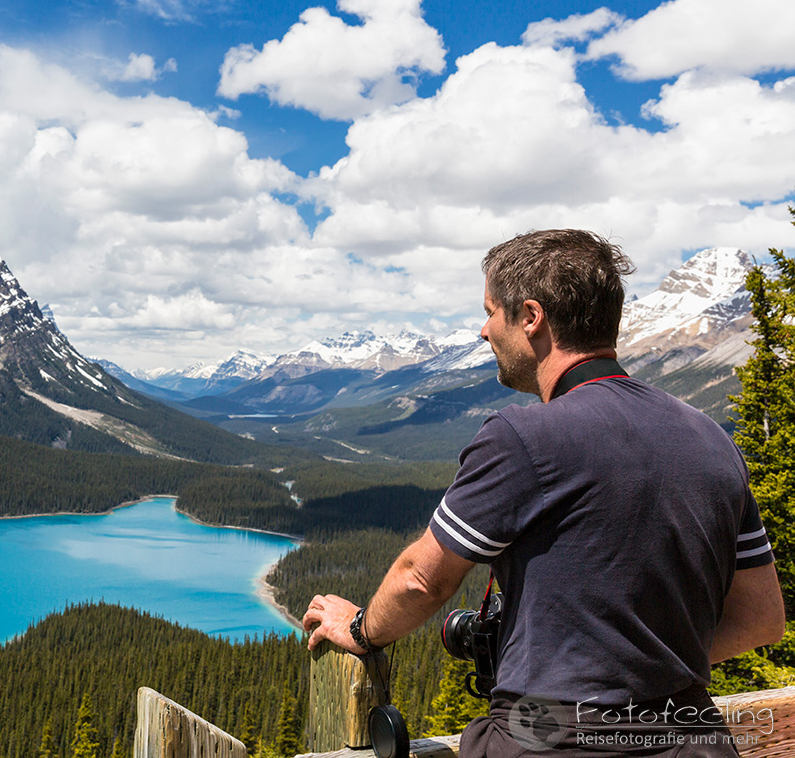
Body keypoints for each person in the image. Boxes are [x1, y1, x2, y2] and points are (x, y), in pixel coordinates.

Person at [301, 229, 785, 757]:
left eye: (490, 311)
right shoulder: (711, 438)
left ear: (531, 317)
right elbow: (761, 619)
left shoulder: (524, 437)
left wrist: (361, 630)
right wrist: (646, 671)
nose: (484, 331)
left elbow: (421, 580)